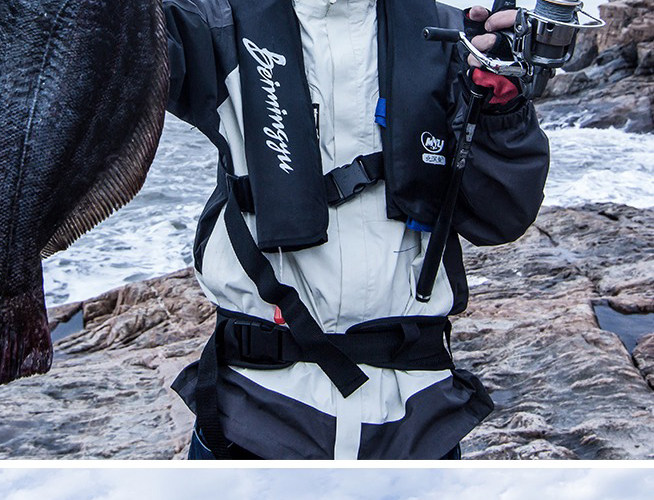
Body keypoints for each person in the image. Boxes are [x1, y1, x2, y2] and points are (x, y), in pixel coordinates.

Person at [164, 0, 550, 460]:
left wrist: (504, 108)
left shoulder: (456, 37)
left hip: (418, 419)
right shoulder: (210, 24)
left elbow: (502, 213)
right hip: (251, 412)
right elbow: (111, 56)